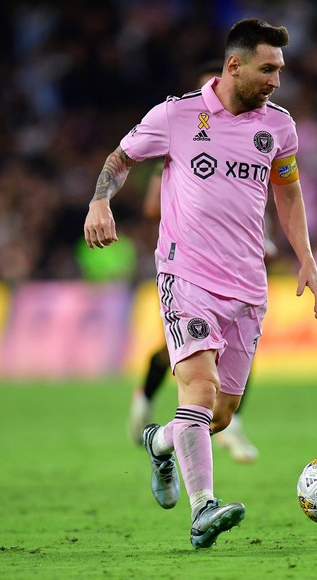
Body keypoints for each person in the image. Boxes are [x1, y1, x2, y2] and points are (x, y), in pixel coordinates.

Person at [84, 18, 317, 549]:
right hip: (185, 274)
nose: (276, 81)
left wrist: (306, 258)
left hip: (249, 285)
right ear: (234, 65)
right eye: (268, 69)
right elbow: (120, 160)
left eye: (280, 70)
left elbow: (287, 194)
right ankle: (203, 511)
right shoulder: (175, 115)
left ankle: (161, 442)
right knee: (198, 389)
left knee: (219, 413)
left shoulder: (279, 127)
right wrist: (101, 200)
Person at [127, 62, 262, 465]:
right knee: (178, 354)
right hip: (188, 267)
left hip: (237, 269)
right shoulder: (181, 135)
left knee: (233, 355)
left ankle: (223, 423)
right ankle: (144, 400)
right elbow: (152, 206)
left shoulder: (249, 140)